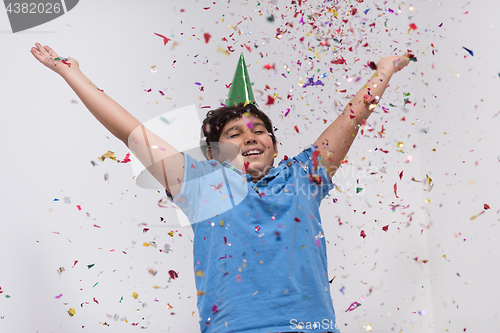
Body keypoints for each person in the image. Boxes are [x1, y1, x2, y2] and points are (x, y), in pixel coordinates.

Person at [31, 43, 410, 333]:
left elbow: (352, 117)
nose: (250, 137)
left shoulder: (303, 178)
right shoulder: (202, 186)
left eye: (260, 130)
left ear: (275, 146)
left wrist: (385, 72)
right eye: (235, 134)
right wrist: (71, 73)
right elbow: (131, 132)